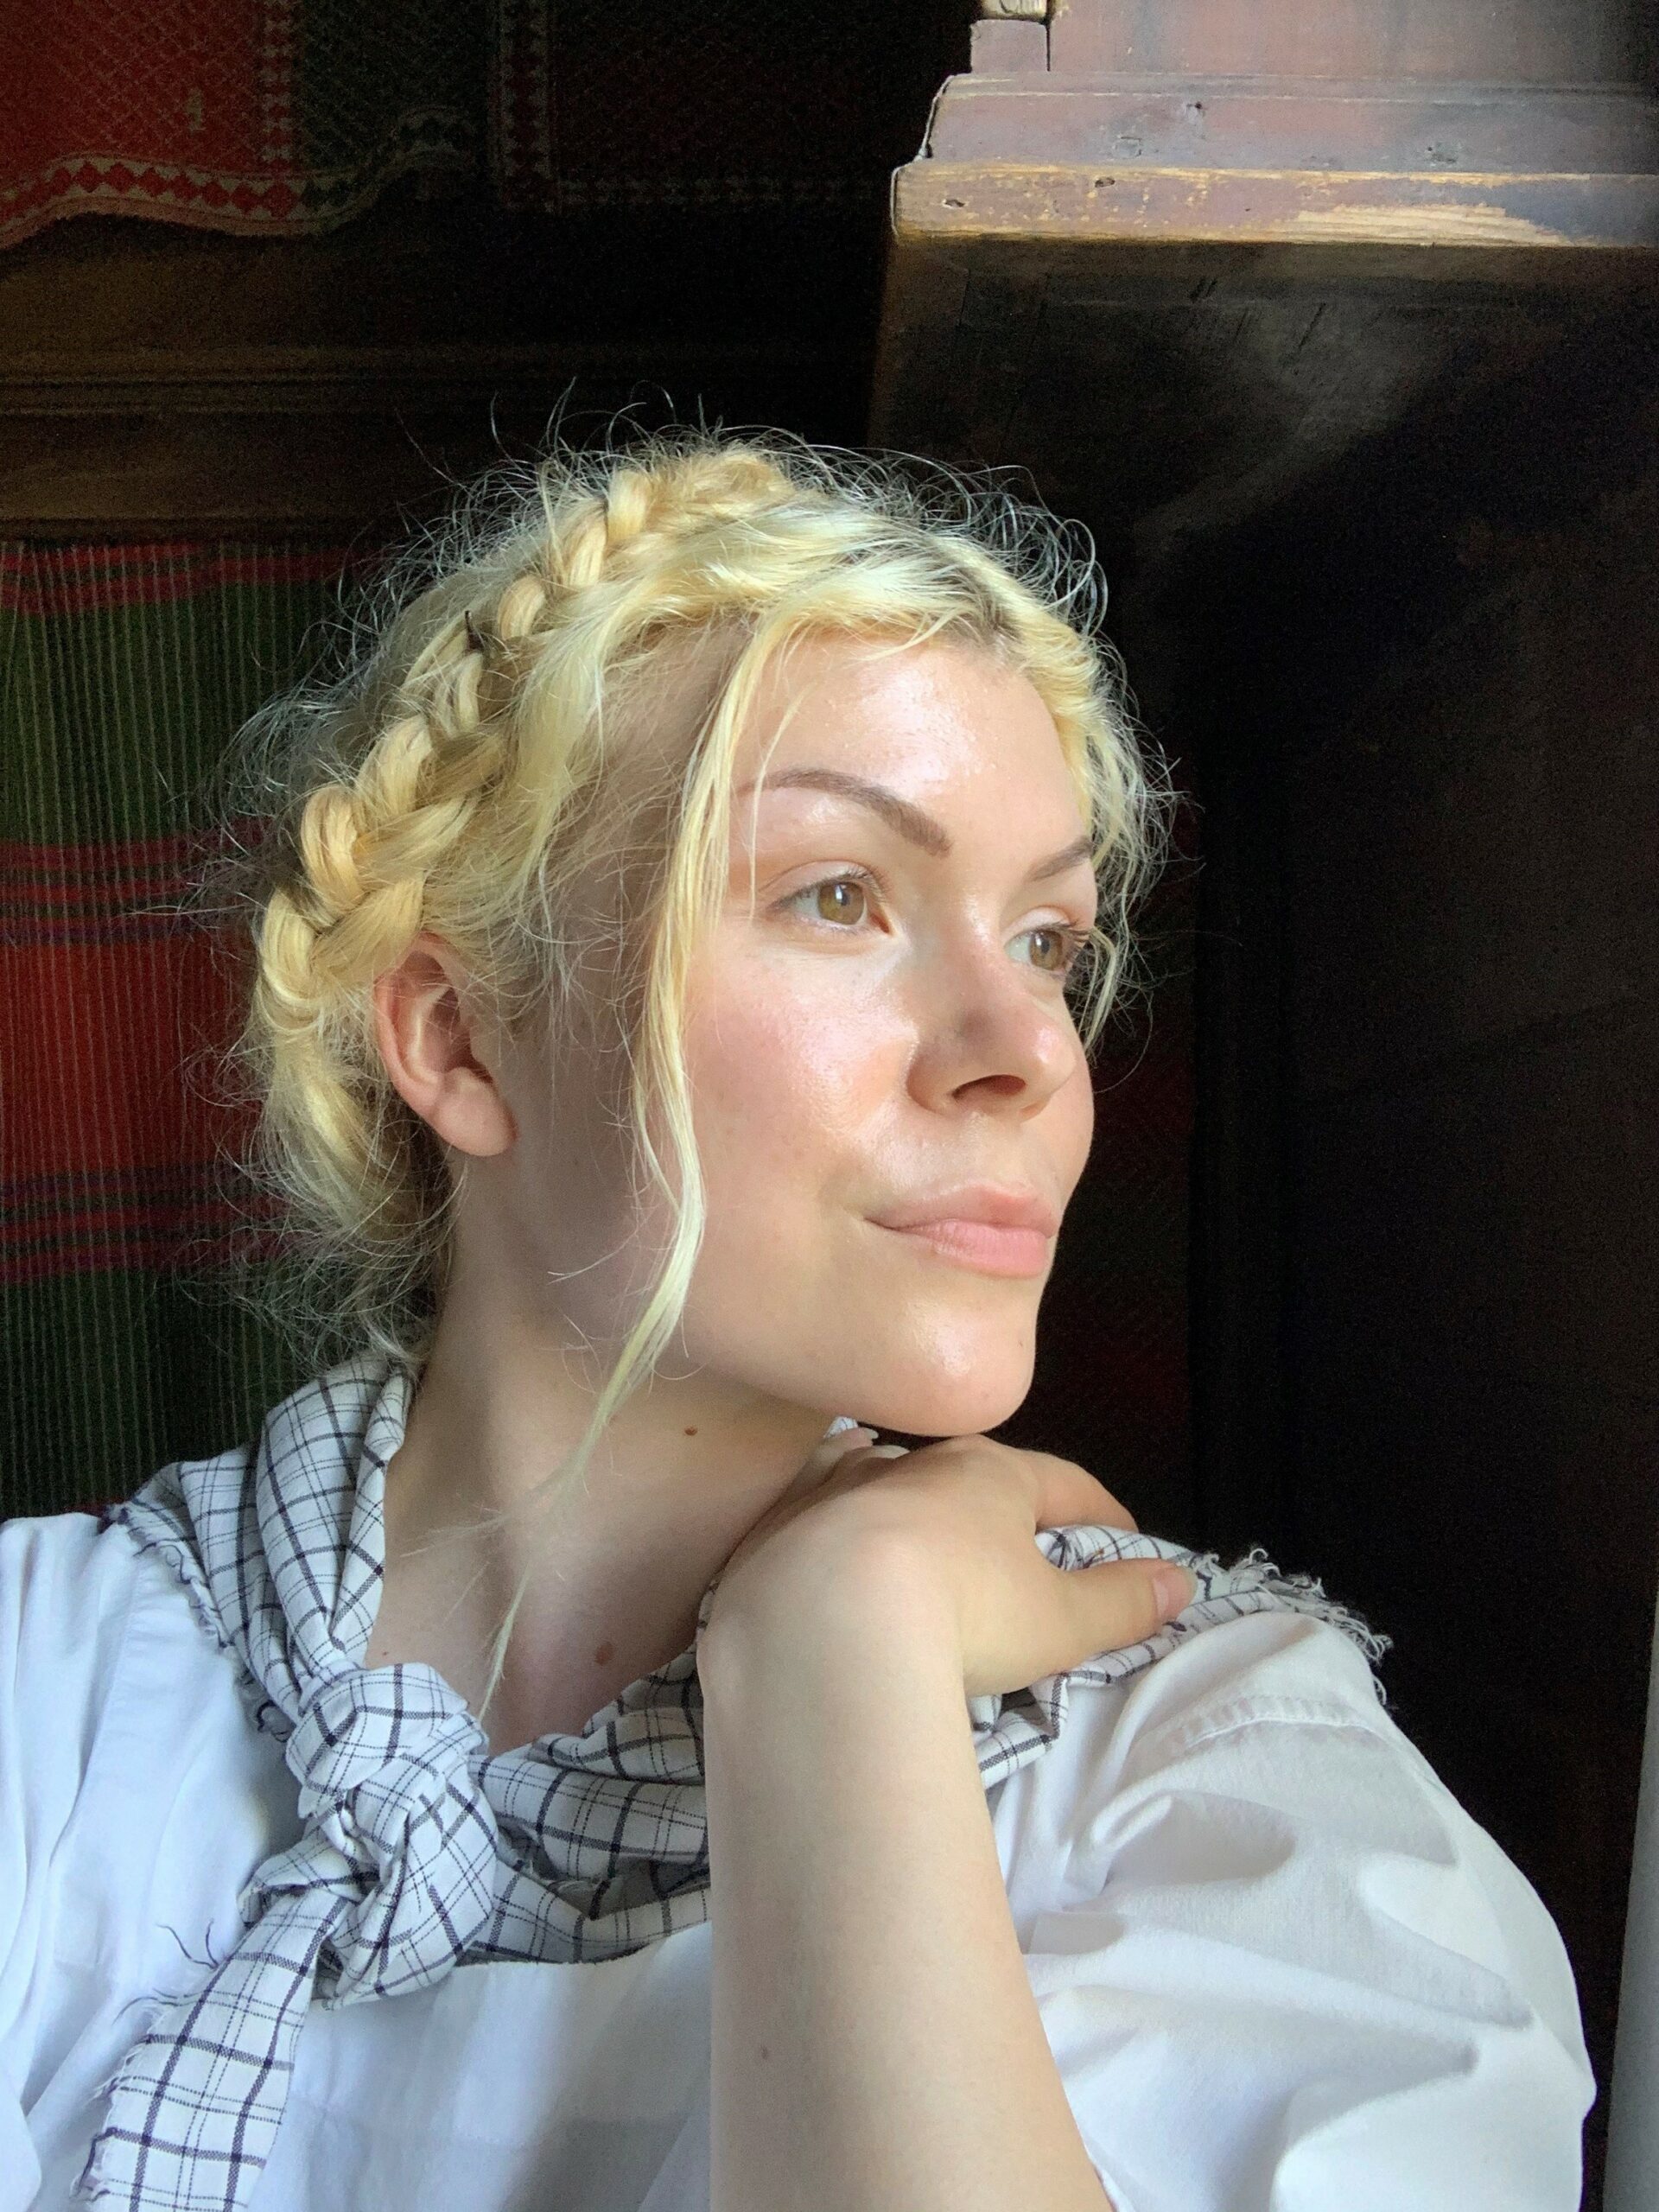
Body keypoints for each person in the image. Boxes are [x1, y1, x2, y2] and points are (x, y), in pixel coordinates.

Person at [0, 433, 1592, 2212]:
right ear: (458, 1038)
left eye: (1050, 938)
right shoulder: (40, 1690)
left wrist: (845, 1660)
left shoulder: (1226, 1783)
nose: (1027, 1049)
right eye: (843, 894)